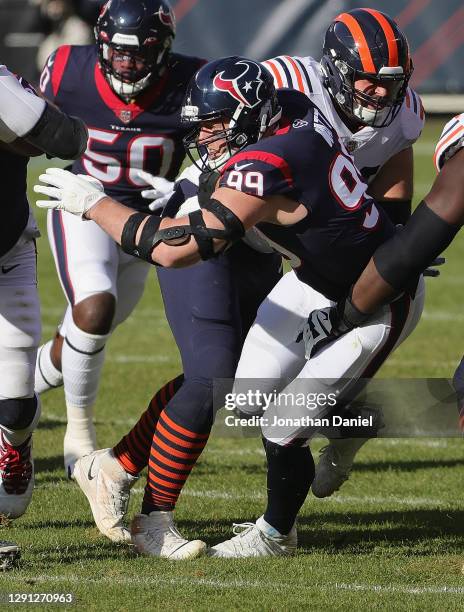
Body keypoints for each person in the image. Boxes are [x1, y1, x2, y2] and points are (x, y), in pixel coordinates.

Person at [34, 55, 425, 557]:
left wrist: (95, 203)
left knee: (254, 399)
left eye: (217, 125)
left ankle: (128, 482)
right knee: (221, 383)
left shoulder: (273, 160)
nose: (206, 139)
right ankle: (139, 500)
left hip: (291, 264)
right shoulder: (294, 108)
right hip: (274, 257)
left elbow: (175, 248)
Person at [33, 0, 205, 477]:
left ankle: (16, 390)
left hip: (146, 224)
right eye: (119, 53)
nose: (127, 64)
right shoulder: (68, 67)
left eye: (140, 54)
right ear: (101, 43)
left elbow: (223, 151)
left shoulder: (192, 80)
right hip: (82, 208)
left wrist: (187, 185)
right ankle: (79, 434)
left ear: (164, 50)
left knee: (86, 332)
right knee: (94, 307)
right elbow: (30, 126)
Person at [262, 7, 427, 497]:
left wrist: (401, 235)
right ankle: (354, 420)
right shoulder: (287, 83)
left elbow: (397, 171)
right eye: (367, 80)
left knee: (294, 403)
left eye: (390, 81)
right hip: (278, 240)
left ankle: (280, 521)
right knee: (250, 393)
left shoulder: (405, 114)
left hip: (347, 265)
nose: (381, 92)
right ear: (334, 70)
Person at [0, 63, 87, 518]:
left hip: (6, 253)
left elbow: (69, 139)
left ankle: (15, 444)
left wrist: (14, 127)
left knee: (13, 408)